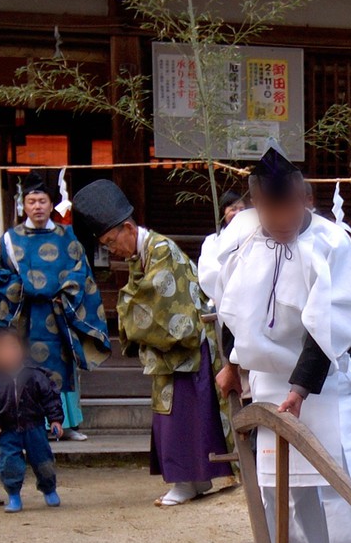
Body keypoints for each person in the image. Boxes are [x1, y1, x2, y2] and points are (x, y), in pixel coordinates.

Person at [207, 142, 351, 543]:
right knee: (282, 479)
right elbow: (230, 306)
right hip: (269, 374)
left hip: (327, 371)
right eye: (268, 213)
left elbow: (330, 322)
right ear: (255, 203)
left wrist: (301, 387)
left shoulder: (331, 242)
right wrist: (232, 364)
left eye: (286, 214)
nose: (278, 225)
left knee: (339, 470)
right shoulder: (241, 234)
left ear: (305, 200)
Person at [72, 179, 232, 506]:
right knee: (179, 415)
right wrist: (128, 307)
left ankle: (188, 481)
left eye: (111, 241)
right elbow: (136, 300)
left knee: (184, 415)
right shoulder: (143, 255)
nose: (112, 249)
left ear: (128, 228)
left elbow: (155, 307)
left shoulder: (162, 252)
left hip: (186, 347)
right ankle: (195, 479)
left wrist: (125, 311)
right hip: (175, 352)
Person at [0, 172, 110, 442]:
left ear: (50, 203)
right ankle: (31, 423)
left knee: (62, 368)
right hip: (26, 316)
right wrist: (22, 288)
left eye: (42, 201)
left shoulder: (67, 237)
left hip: (59, 314)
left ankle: (66, 424)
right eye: (32, 201)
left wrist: (64, 291)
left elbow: (81, 273)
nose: (37, 207)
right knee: (26, 367)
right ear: (24, 205)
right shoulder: (11, 239)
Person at [0, 328, 64, 513]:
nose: (8, 353)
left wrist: (55, 419)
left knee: (44, 461)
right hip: (7, 430)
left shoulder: (36, 375)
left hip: (35, 427)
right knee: (9, 463)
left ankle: (49, 489)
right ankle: (14, 495)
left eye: (12, 347)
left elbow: (50, 398)